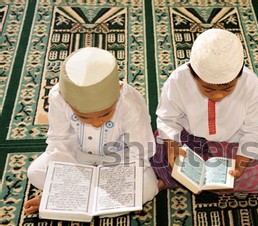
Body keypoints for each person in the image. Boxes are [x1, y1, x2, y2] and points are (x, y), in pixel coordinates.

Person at [24, 47, 161, 214]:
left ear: (117, 92)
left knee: (146, 187)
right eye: (84, 117)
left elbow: (139, 150)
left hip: (119, 159)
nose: (96, 123)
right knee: (35, 173)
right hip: (79, 155)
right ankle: (108, 203)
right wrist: (57, 188)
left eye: (105, 114)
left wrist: (123, 182)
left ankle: (82, 200)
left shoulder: (130, 102)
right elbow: (60, 142)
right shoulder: (58, 97)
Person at [150, 28, 258, 196]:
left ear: (239, 74)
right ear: (193, 73)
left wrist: (240, 163)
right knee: (154, 151)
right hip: (189, 139)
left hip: (231, 143)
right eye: (208, 89)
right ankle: (202, 182)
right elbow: (167, 119)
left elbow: (253, 129)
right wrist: (172, 145)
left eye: (227, 88)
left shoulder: (250, 85)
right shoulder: (178, 80)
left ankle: (179, 180)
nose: (218, 96)